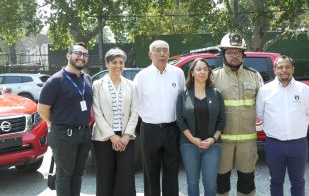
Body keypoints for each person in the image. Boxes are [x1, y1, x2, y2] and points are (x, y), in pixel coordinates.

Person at [256, 55, 309, 196]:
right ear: (275, 70)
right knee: (276, 181)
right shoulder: (265, 90)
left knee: (298, 181)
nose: (284, 70)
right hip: (274, 144)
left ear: (293, 69)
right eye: (280, 67)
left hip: (298, 144)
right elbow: (260, 114)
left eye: (287, 67)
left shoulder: (305, 90)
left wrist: (297, 126)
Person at [37, 42, 93, 196]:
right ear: (68, 55)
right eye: (78, 53)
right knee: (64, 176)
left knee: (78, 174)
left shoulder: (87, 79)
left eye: (85, 55)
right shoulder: (55, 80)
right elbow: (41, 109)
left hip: (84, 133)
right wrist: (56, 124)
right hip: (63, 134)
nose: (82, 57)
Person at [213, 33, 263, 196]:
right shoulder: (213, 77)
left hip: (247, 141)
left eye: (238, 52)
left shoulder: (254, 76)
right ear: (223, 54)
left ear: (243, 55)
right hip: (221, 141)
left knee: (247, 182)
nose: (234, 56)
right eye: (230, 52)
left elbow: (265, 105)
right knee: (221, 181)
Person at [134, 40, 185, 196]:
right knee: (150, 172)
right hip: (150, 129)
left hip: (172, 129)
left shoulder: (178, 73)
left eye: (165, 50)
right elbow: (135, 104)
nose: (162, 53)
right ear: (150, 54)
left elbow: (183, 99)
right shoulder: (142, 76)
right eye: (158, 50)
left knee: (172, 171)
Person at [91, 48, 138, 196]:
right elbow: (97, 112)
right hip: (103, 138)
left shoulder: (131, 85)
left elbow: (134, 112)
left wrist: (126, 136)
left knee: (126, 175)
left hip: (126, 138)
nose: (118, 66)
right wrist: (112, 136)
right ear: (107, 63)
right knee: (105, 176)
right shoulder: (97, 85)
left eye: (121, 62)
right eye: (115, 62)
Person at [176, 58, 225, 196]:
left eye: (205, 69)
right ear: (192, 72)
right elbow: (180, 120)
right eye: (198, 69)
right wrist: (193, 139)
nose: (202, 72)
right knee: (192, 183)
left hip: (212, 146)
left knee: (210, 184)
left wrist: (213, 139)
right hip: (189, 145)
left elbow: (222, 120)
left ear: (209, 72)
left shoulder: (216, 94)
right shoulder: (183, 95)